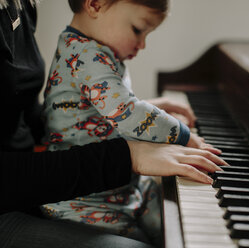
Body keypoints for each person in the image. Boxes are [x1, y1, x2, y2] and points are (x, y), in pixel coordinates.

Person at [0, 0, 225, 247]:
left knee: (174, 219)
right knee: (147, 240)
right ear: (96, 4)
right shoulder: (86, 55)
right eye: (138, 30)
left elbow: (73, 112)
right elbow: (127, 111)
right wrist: (183, 135)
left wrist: (148, 110)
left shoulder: (87, 48)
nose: (142, 45)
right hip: (82, 201)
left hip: (106, 184)